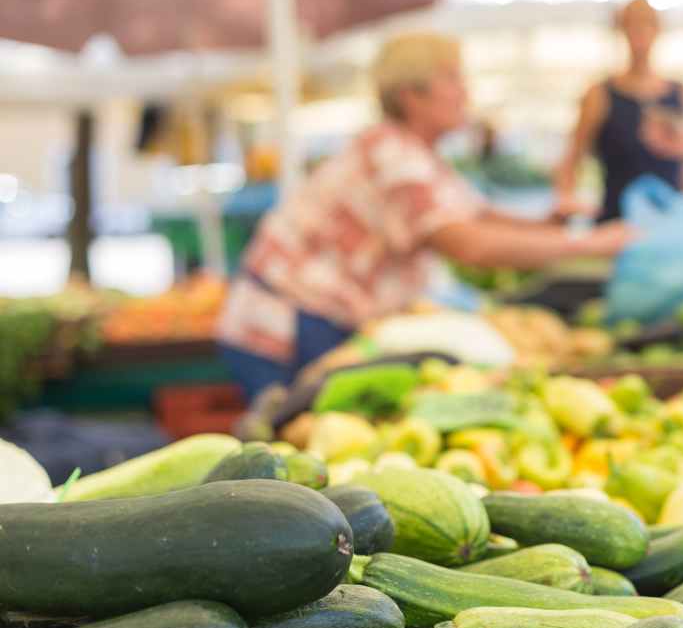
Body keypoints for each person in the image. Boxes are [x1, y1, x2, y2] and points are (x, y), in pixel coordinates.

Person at [217, 32, 634, 398]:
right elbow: (467, 243)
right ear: (410, 95)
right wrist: (588, 244)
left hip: (322, 320)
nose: (464, 92)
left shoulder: (422, 157)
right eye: (451, 78)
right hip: (285, 328)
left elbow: (477, 216)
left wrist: (549, 222)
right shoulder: (393, 156)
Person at [553, 0, 683, 221]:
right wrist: (566, 199)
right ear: (621, 29)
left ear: (657, 30)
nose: (640, 34)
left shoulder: (678, 92)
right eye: (632, 25)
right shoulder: (600, 94)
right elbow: (572, 158)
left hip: (672, 217)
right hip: (618, 221)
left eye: (646, 24)